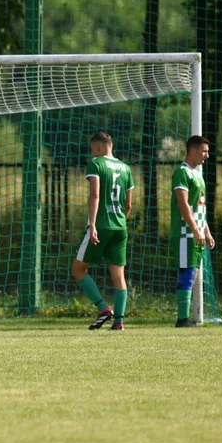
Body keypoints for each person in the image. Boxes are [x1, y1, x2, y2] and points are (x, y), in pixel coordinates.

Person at [71, 131, 134, 331]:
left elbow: (95, 195)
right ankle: (119, 322)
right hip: (120, 226)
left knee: (78, 269)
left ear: (97, 147)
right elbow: (129, 204)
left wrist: (93, 224)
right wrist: (120, 221)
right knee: (118, 275)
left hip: (102, 225)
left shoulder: (96, 164)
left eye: (92, 149)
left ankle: (103, 308)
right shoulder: (126, 168)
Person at [170, 135, 215, 328]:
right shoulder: (182, 172)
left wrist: (207, 231)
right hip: (185, 232)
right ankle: (182, 319)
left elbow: (199, 207)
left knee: (192, 272)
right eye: (204, 151)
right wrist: (195, 229)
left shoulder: (197, 174)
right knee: (188, 272)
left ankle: (184, 318)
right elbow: (183, 204)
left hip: (195, 232)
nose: (207, 155)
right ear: (193, 150)